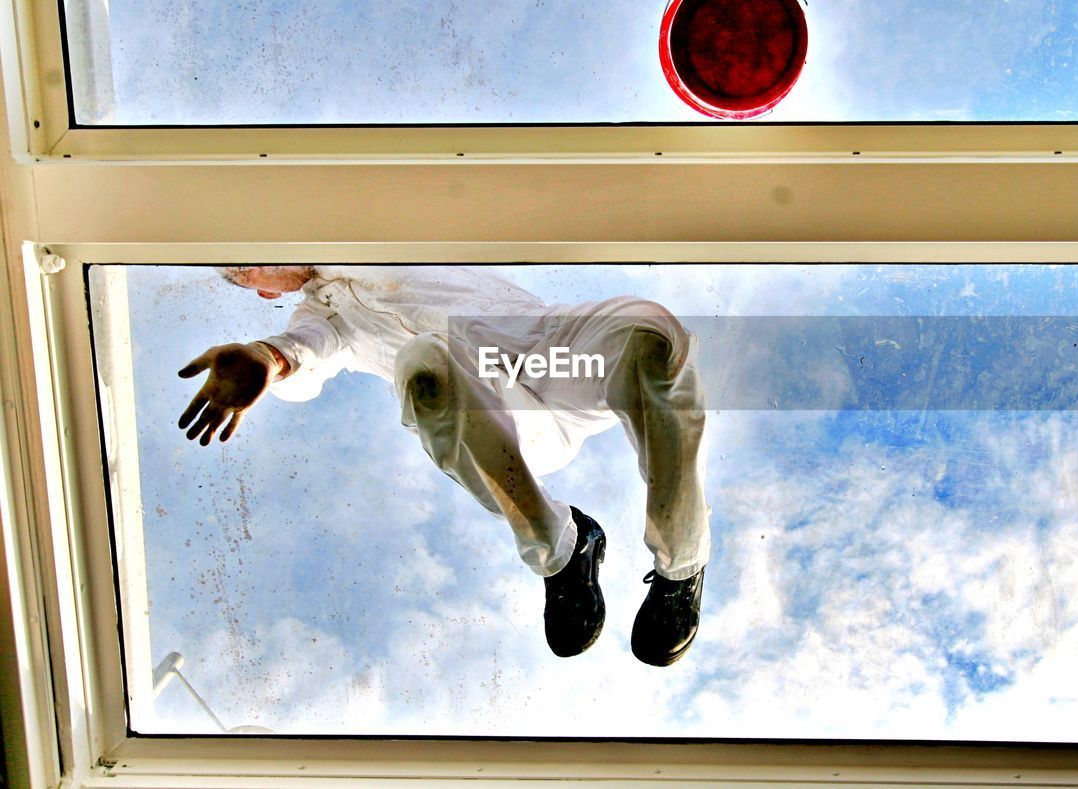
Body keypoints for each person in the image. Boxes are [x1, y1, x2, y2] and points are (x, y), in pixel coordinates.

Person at [178, 265, 709, 666]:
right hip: (497, 415)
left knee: (646, 332)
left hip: (554, 354)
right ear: (265, 291)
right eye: (242, 268)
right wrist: (263, 359)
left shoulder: (370, 232)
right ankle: (563, 553)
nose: (255, 256)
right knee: (424, 365)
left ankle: (680, 568)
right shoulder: (318, 320)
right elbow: (303, 350)